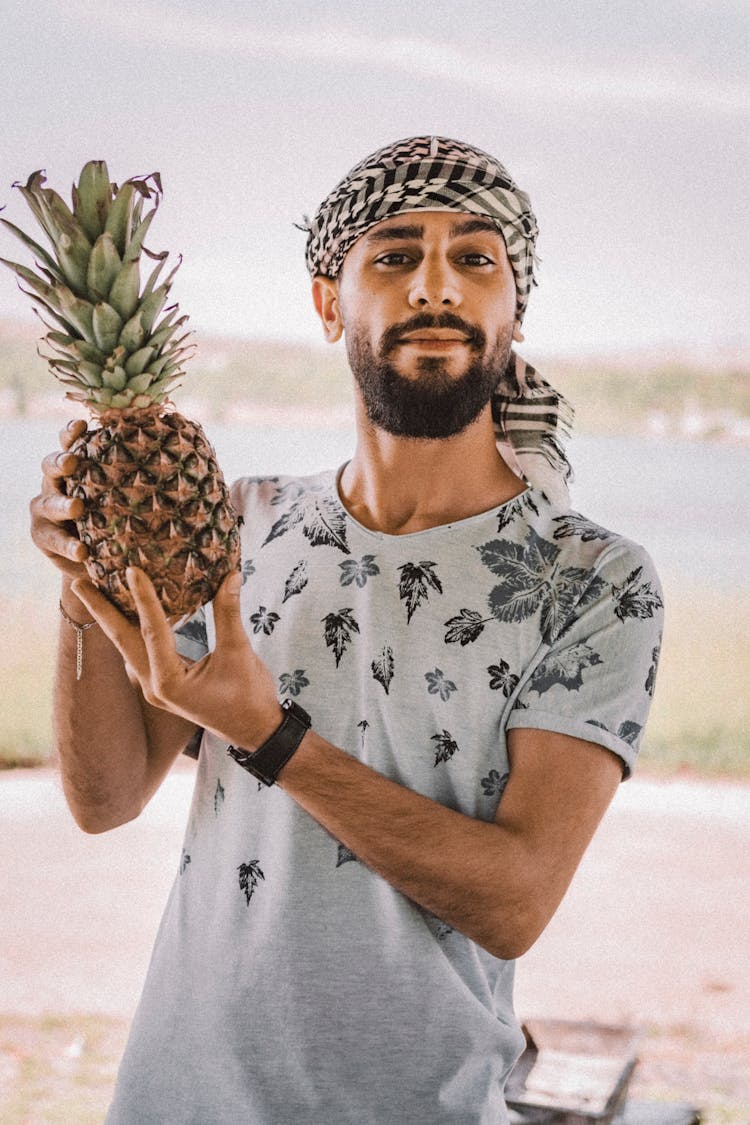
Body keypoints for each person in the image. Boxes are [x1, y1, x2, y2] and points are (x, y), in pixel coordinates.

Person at [31, 136, 664, 1124]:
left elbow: (515, 903)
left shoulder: (594, 580)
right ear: (330, 303)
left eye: (475, 258)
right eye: (396, 254)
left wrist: (269, 736)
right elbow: (104, 799)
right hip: (177, 1098)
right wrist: (85, 582)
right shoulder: (237, 523)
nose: (435, 287)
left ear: (515, 305)